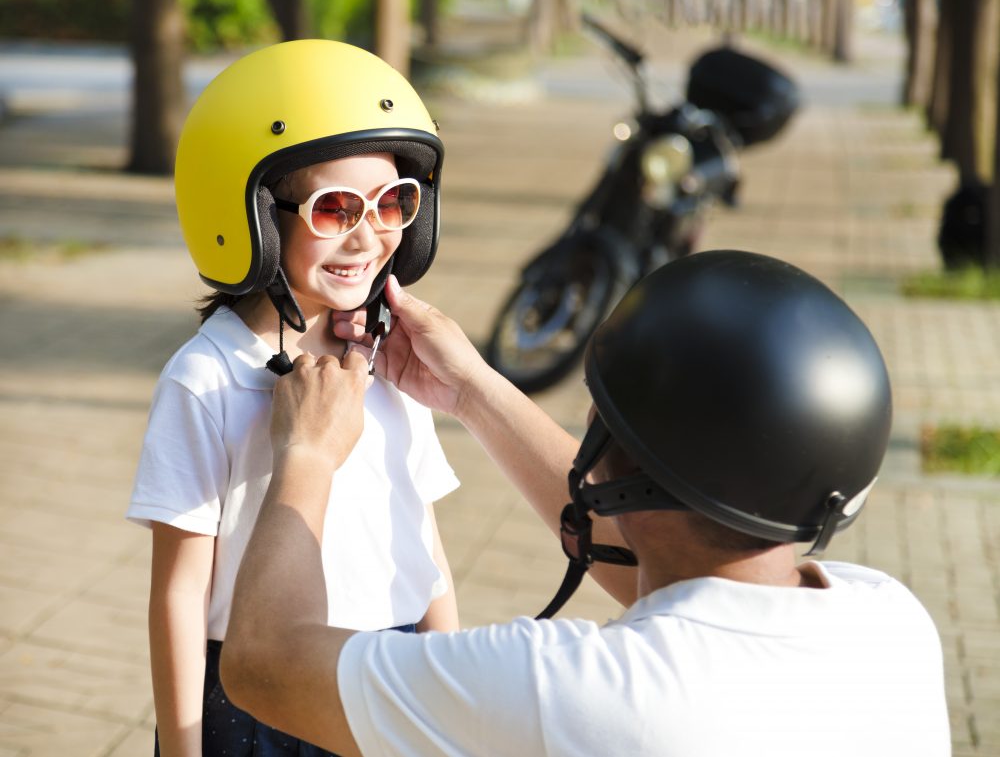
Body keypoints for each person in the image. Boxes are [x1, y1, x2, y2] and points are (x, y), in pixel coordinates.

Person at [221, 250, 951, 757]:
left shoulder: (572, 691)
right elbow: (677, 572)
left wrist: (308, 453)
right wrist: (471, 390)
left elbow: (263, 664)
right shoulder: (889, 621)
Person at [126, 40, 460, 757]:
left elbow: (423, 540)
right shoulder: (206, 378)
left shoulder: (393, 359)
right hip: (254, 697)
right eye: (335, 208)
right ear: (253, 215)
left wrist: (450, 693)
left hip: (391, 675)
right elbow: (180, 592)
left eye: (394, 203)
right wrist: (182, 747)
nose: (369, 237)